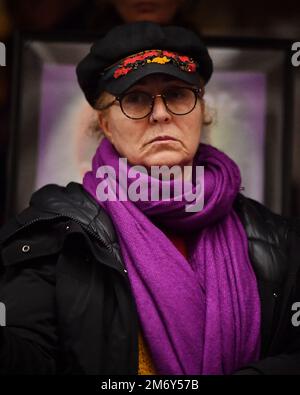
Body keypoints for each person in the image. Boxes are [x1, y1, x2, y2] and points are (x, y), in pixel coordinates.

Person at [0, 21, 300, 375]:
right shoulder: (58, 233)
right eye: (136, 99)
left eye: (177, 94)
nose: (161, 114)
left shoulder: (276, 239)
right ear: (106, 124)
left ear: (201, 109)